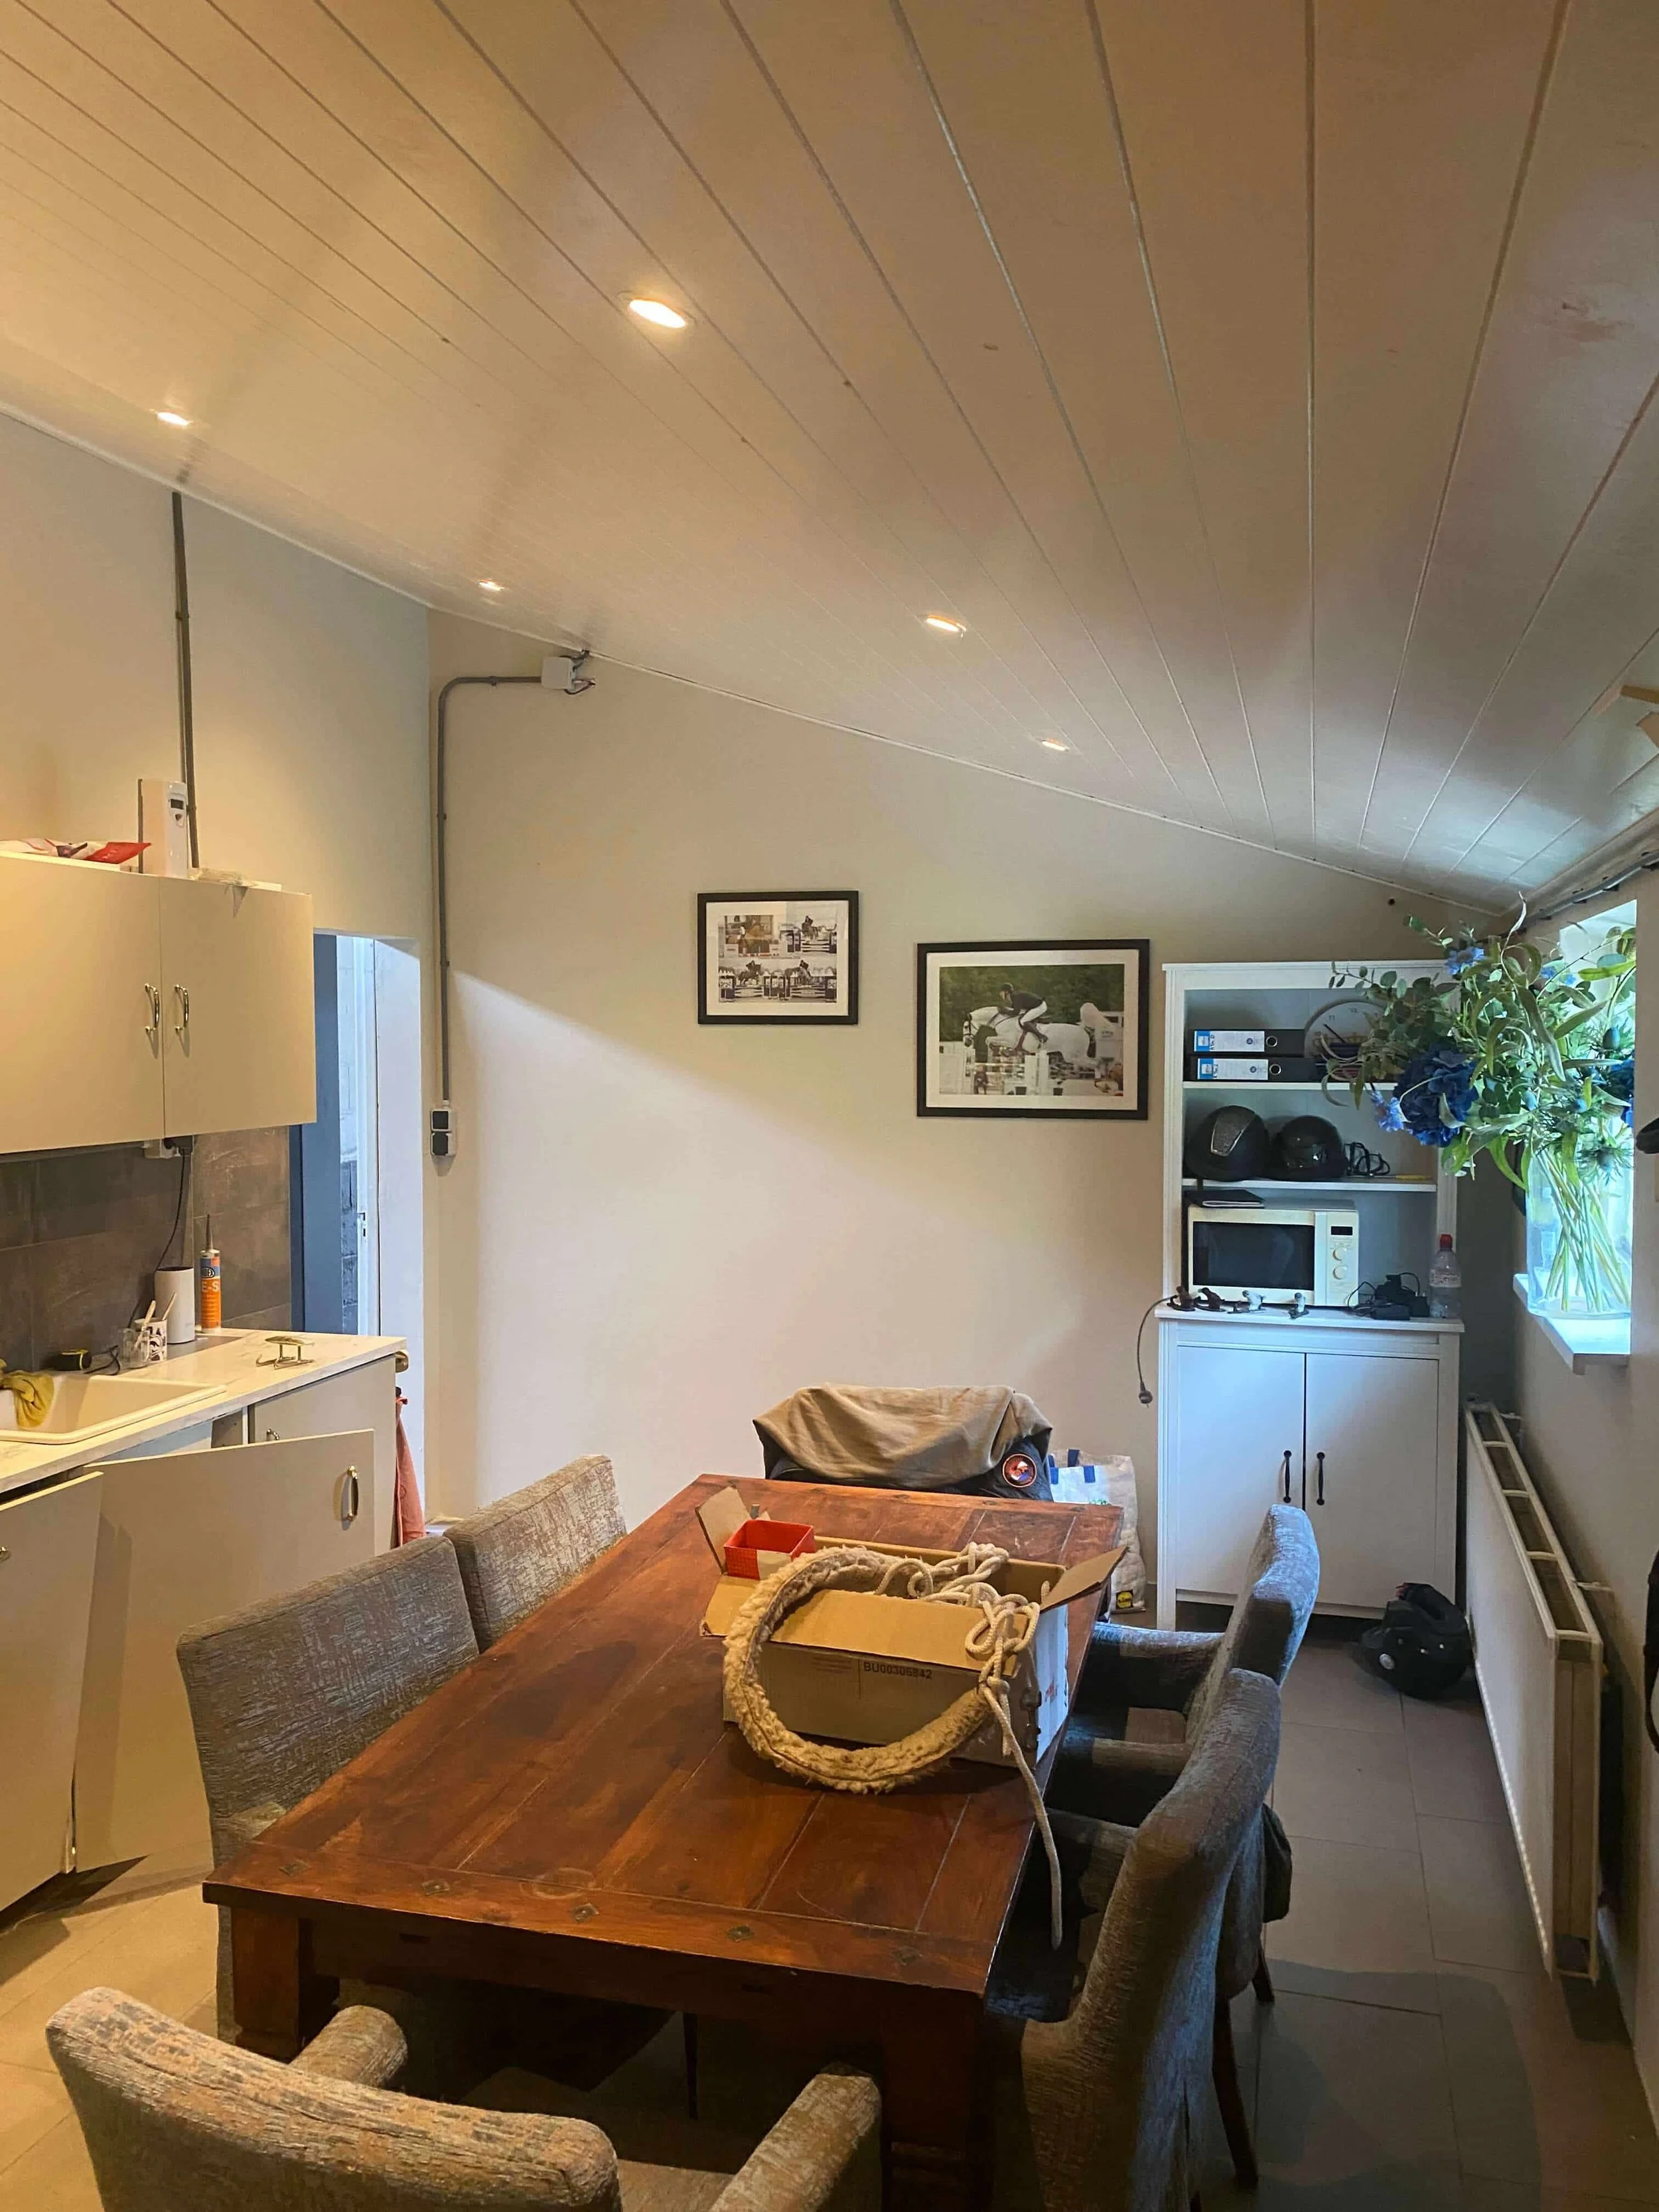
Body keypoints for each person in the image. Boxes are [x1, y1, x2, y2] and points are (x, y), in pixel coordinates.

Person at [998, 983, 1049, 1051]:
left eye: (1002, 992)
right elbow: (1016, 1011)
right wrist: (1006, 1011)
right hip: (1035, 1006)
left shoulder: (1015, 997)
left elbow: (1016, 1012)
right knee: (1022, 1018)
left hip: (1040, 1006)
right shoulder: (1014, 997)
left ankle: (1042, 1037)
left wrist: (1005, 1011)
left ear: (1007, 992)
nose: (1000, 994)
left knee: (1023, 1021)